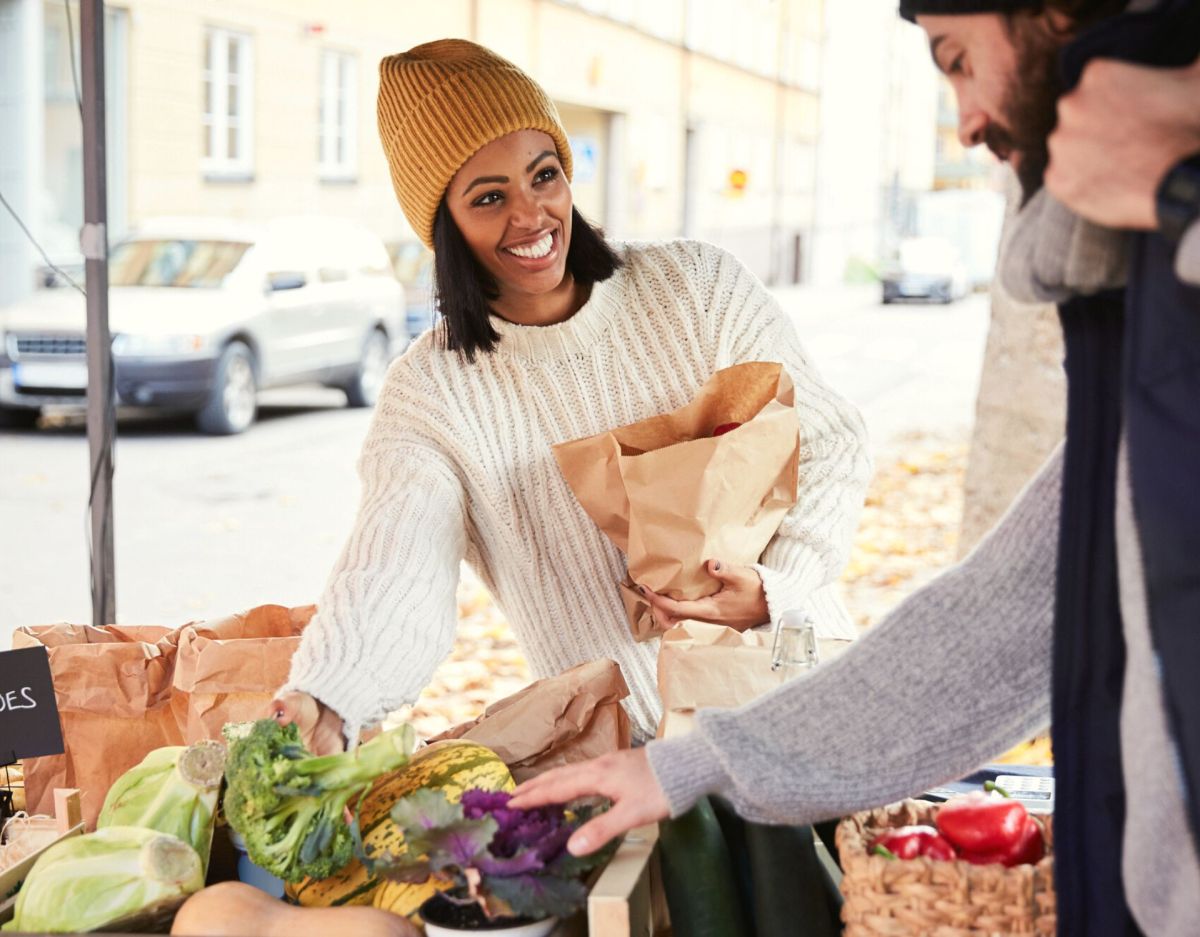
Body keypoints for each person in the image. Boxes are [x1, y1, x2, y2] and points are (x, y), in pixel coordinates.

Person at [510, 3, 1200, 935]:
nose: (963, 123)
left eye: (957, 60)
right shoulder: (1141, 287)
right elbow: (1009, 614)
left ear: (1061, 17)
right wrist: (688, 764)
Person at [270, 40, 870, 757]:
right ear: (443, 223)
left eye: (544, 175)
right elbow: (395, 564)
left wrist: (778, 587)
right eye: (489, 197)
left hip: (807, 700)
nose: (531, 215)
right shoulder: (433, 396)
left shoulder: (696, 289)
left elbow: (830, 441)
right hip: (639, 762)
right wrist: (330, 695)